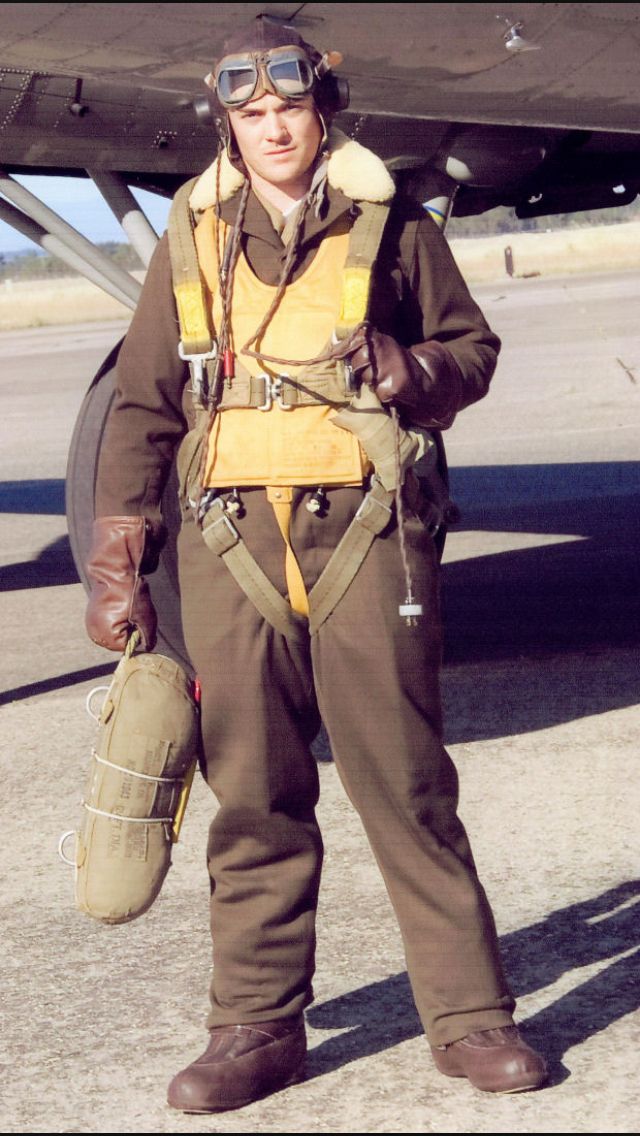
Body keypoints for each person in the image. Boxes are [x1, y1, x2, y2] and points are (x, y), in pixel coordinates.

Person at [84, 16, 548, 1113]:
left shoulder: (390, 225)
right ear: (231, 124)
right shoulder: (193, 236)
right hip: (230, 547)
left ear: (319, 111)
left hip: (364, 538)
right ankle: (253, 1028)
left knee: (407, 784)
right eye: (250, 113)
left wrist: (412, 363)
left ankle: (473, 1019)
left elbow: (472, 352)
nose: (272, 127)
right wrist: (116, 554)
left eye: (288, 107)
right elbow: (147, 403)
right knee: (252, 794)